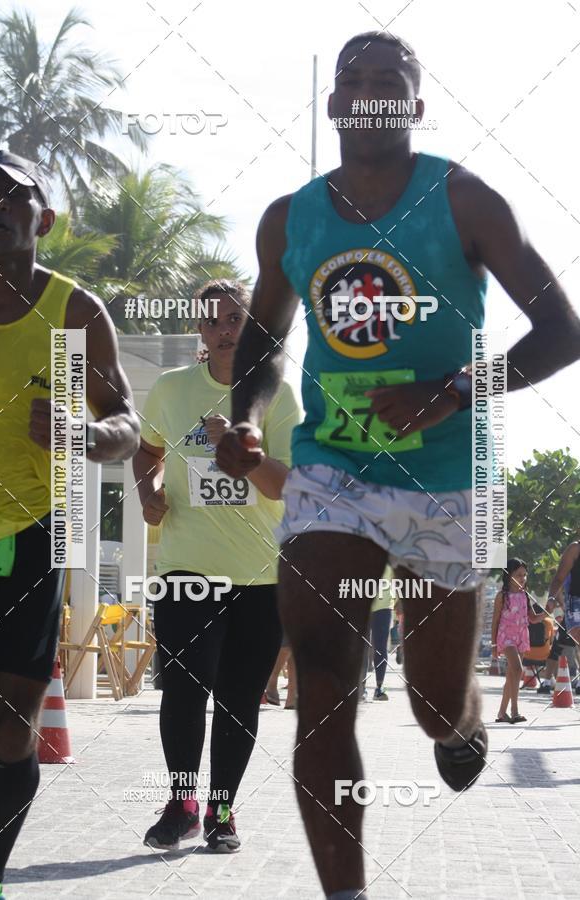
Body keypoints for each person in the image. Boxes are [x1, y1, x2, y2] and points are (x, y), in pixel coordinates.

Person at [215, 31, 580, 900]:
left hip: (450, 480)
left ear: (414, 106)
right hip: (333, 472)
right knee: (324, 676)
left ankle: (458, 721)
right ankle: (347, 893)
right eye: (354, 80)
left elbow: (563, 332)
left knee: (427, 704)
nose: (371, 92)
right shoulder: (289, 219)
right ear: (334, 104)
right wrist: (249, 422)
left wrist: (452, 390)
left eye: (392, 81)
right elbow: (263, 344)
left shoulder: (464, 200)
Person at [0, 150, 140, 900]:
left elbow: (128, 426)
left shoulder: (74, 313)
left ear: (42, 219)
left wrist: (78, 435)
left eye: (13, 198)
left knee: (11, 733)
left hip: (27, 534)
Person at [133, 280, 301, 852]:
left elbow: (291, 485)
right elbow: (148, 448)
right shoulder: (171, 388)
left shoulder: (279, 394)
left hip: (260, 574)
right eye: (213, 321)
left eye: (236, 319)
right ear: (200, 332)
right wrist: (147, 488)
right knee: (182, 690)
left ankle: (221, 811)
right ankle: (180, 805)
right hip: (187, 566)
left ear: (252, 326)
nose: (225, 330)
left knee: (237, 700)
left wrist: (239, 448)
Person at [491, 559, 547, 722]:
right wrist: (494, 644)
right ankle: (515, 711)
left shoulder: (525, 595)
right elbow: (495, 621)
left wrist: (547, 613)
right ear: (509, 576)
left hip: (521, 636)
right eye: (518, 575)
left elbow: (533, 618)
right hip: (505, 637)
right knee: (517, 669)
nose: (522, 578)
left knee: (512, 675)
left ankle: (502, 713)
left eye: (524, 575)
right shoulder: (502, 596)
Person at [370, 567, 395, 700]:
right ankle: (359, 689)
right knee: (360, 648)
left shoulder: (390, 553)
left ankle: (379, 687)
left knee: (380, 648)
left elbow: (397, 579)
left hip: (384, 605)